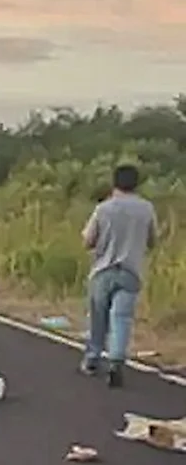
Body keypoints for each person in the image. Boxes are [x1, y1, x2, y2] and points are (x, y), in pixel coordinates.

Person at [79, 164, 158, 387]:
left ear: (114, 182)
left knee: (98, 318)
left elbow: (88, 240)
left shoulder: (104, 209)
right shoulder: (146, 209)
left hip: (103, 271)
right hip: (131, 271)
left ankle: (93, 358)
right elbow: (152, 241)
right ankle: (116, 361)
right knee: (121, 318)